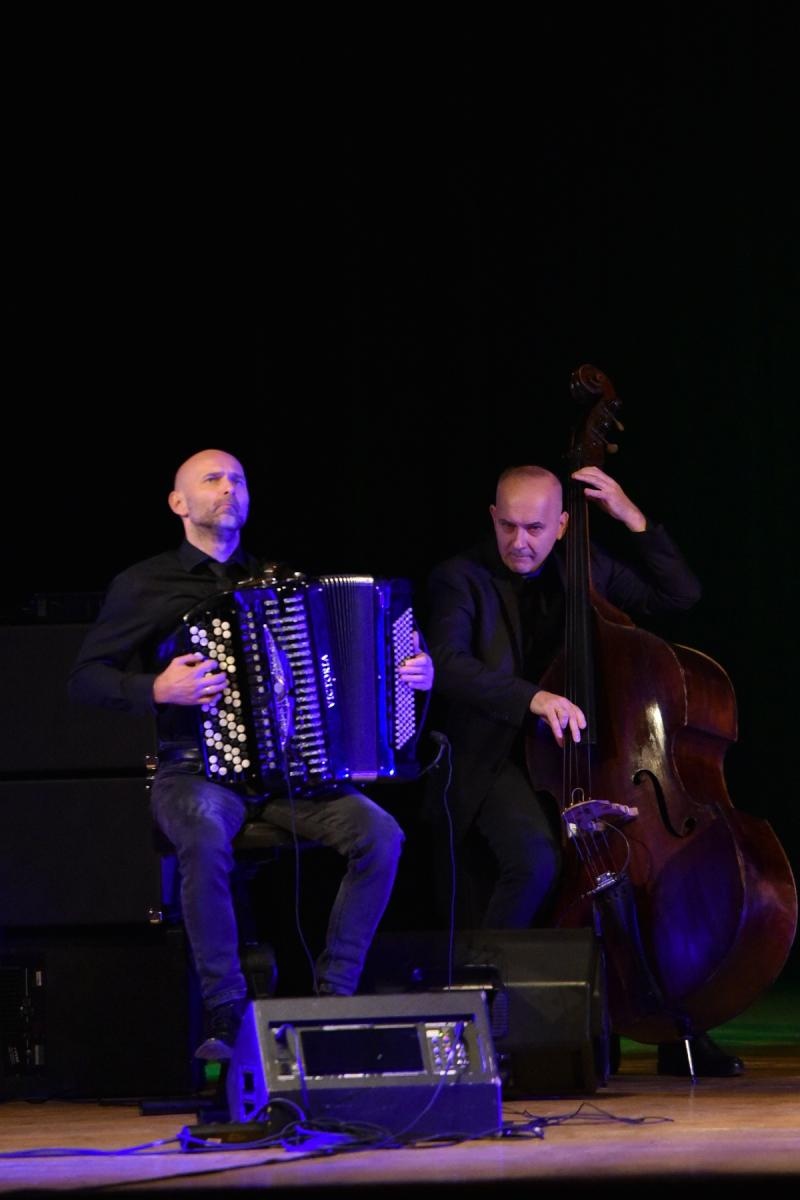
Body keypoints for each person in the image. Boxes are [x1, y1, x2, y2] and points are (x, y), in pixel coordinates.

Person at [68, 448, 434, 1060]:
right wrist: (156, 688)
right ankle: (225, 1011)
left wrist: (407, 673)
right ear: (178, 503)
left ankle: (333, 1001)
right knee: (204, 836)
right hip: (196, 770)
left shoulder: (278, 583)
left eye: (237, 479)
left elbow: (335, 677)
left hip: (291, 779)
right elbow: (84, 679)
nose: (228, 488)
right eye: (212, 479)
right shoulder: (145, 583)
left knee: (382, 834)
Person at [423, 462, 743, 1078]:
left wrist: (632, 517)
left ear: (564, 524)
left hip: (589, 761)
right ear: (493, 519)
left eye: (537, 528)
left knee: (640, 870)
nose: (521, 542)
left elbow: (679, 596)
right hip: (497, 760)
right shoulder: (458, 578)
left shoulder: (586, 565)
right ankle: (477, 1016)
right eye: (509, 526)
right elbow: (448, 663)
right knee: (536, 859)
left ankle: (677, 1028)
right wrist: (532, 700)